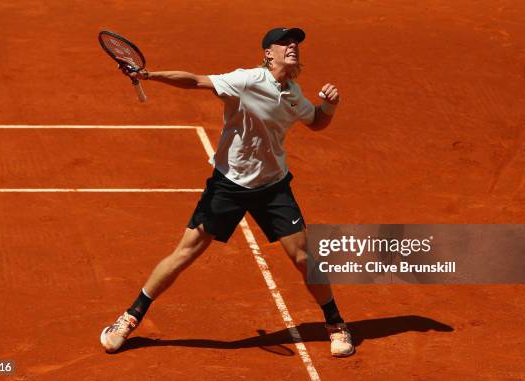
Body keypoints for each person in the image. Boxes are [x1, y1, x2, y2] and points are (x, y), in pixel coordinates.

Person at [100, 27, 353, 357]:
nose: (293, 47)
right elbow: (195, 81)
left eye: (296, 43)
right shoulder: (246, 80)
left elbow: (316, 121)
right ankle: (130, 317)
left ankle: (335, 324)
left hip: (272, 187)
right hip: (229, 185)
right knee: (185, 252)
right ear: (268, 54)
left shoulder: (293, 93)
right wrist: (149, 74)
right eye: (285, 43)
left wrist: (329, 107)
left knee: (304, 257)